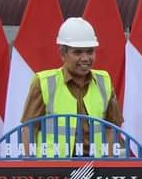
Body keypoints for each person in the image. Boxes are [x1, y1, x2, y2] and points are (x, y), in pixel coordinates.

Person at [20, 17, 122, 157]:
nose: (85, 58)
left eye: (90, 51)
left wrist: (109, 166)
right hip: (54, 172)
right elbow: (29, 129)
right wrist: (32, 170)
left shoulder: (104, 81)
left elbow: (111, 127)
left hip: (95, 170)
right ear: (62, 54)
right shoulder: (43, 82)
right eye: (78, 52)